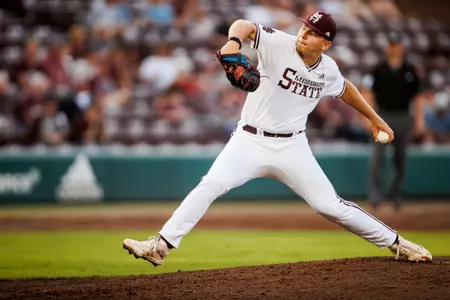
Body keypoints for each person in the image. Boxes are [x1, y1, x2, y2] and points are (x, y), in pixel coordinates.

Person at [123, 11, 432, 265]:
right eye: (305, 27)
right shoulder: (277, 43)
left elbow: (346, 89)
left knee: (329, 205)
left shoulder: (328, 70)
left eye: (312, 33)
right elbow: (243, 26)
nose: (304, 33)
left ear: (325, 44)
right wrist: (233, 43)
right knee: (212, 184)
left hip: (292, 146)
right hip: (248, 140)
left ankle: (398, 243)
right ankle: (160, 246)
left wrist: (376, 120)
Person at [366, 31, 422, 211]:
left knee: (400, 159)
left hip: (403, 116)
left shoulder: (410, 69)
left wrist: (419, 120)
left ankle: (396, 194)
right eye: (391, 44)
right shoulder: (377, 68)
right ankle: (375, 196)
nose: (394, 48)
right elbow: (368, 93)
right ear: (387, 47)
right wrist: (370, 117)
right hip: (383, 116)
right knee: (377, 159)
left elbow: (417, 97)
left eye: (396, 44)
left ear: (402, 46)